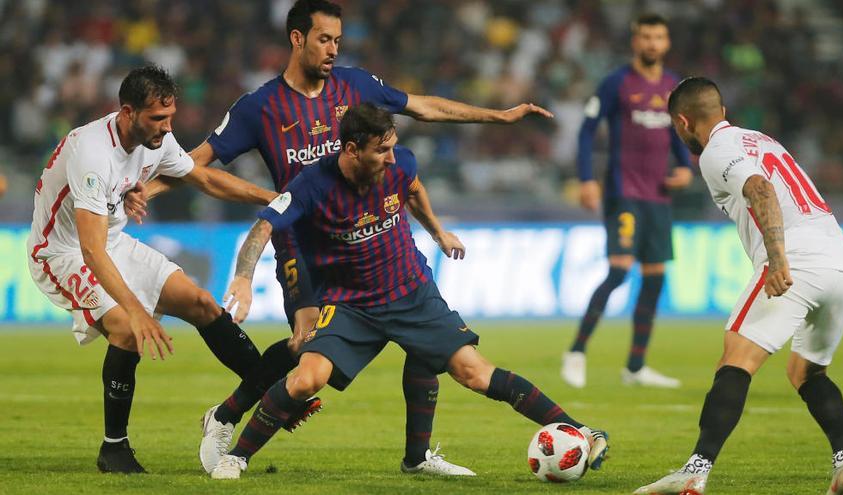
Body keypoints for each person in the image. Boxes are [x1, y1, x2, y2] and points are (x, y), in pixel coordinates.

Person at [126, 0, 554, 475]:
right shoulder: (259, 107)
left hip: (365, 243)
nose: (333, 50)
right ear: (297, 39)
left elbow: (422, 107)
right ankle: (226, 415)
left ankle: (417, 456)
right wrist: (148, 188)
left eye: (338, 41)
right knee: (304, 344)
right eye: (324, 39)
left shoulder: (355, 85)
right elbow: (196, 159)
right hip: (302, 246)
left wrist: (499, 116)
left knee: (419, 334)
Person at [205, 103, 609, 480]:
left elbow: (413, 189)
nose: (392, 158)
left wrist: (436, 231)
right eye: (382, 150)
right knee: (308, 379)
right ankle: (236, 457)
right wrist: (243, 275)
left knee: (474, 371)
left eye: (393, 147)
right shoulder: (311, 185)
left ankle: (582, 431)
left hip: (411, 290)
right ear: (351, 149)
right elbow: (263, 228)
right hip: (350, 304)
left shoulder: (401, 165)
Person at [25, 65, 281, 473]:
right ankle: (114, 448)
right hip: (61, 252)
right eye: (157, 119)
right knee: (127, 327)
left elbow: (206, 180)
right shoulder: (91, 153)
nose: (166, 127)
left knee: (200, 302)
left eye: (170, 118)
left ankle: (272, 393)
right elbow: (90, 250)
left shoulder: (156, 140)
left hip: (112, 240)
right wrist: (138, 311)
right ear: (128, 113)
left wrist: (277, 199)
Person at [634, 77, 843, 495]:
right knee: (806, 372)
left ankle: (695, 471)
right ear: (721, 111)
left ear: (684, 122)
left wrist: (777, 259)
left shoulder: (716, 151)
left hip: (798, 261)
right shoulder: (760, 139)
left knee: (735, 361)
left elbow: (760, 188)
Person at [561, 13, 693, 389]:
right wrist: (587, 179)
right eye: (646, 36)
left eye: (659, 37)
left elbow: (681, 133)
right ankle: (576, 351)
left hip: (659, 196)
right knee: (619, 271)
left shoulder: (672, 85)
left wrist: (685, 167)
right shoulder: (616, 82)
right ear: (635, 42)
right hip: (624, 191)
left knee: (655, 279)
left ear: (666, 43)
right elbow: (587, 131)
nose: (652, 43)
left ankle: (635, 366)